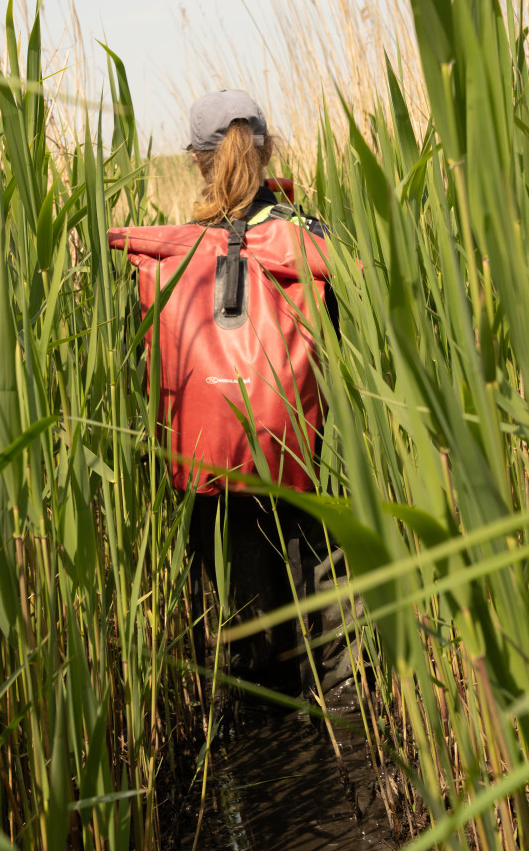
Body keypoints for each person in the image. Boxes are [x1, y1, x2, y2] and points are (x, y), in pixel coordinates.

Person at [110, 89, 353, 700]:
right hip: (303, 463)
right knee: (327, 627)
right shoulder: (312, 240)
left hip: (212, 466)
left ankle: (257, 736)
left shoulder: (171, 255)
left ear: (198, 161)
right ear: (266, 149)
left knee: (242, 632)